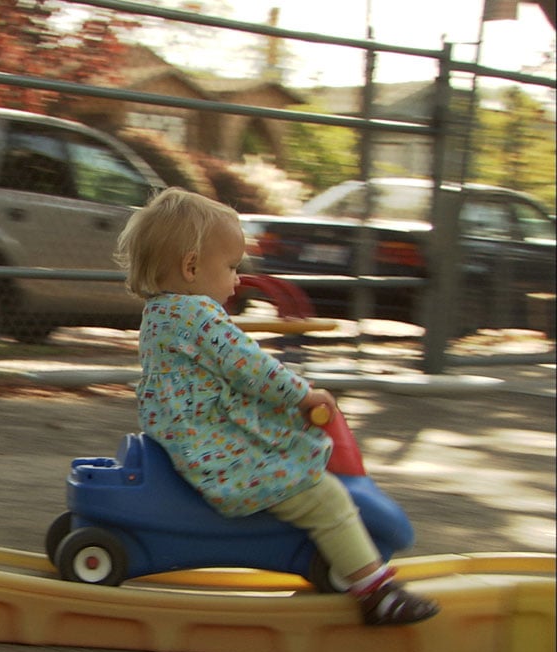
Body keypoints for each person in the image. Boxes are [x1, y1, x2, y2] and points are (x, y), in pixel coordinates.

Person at [114, 187, 439, 626]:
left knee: (293, 455)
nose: (236, 280)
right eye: (231, 268)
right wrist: (303, 395)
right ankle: (375, 593)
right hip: (215, 449)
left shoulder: (162, 313)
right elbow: (252, 368)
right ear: (191, 267)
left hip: (197, 437)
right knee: (321, 495)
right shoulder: (197, 315)